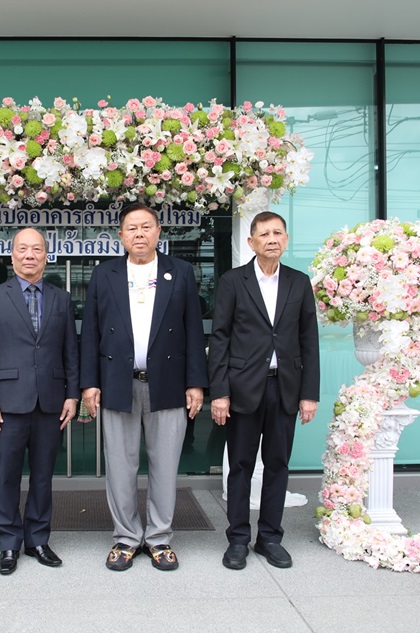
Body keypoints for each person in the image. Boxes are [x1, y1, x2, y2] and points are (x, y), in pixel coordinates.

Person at [80, 203, 208, 572]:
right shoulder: (104, 274)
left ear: (158, 232)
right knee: (120, 465)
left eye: (146, 226)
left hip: (167, 383)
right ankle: (125, 538)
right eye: (132, 228)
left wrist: (196, 383)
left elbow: (193, 331)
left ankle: (159, 538)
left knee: (165, 465)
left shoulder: (180, 272)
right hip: (117, 383)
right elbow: (90, 332)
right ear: (121, 236)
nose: (139, 234)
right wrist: (89, 384)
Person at [208, 211, 320, 570]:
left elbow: (309, 340)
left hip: (285, 388)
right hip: (242, 389)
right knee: (240, 466)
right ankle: (238, 539)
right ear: (251, 242)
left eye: (278, 233)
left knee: (277, 465)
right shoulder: (233, 281)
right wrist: (219, 392)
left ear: (286, 239)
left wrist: (309, 394)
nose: (272, 239)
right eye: (264, 234)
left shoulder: (299, 283)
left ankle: (270, 538)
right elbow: (220, 338)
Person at [0, 228, 80, 575]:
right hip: (6, 403)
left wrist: (72, 394)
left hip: (50, 402)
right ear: (12, 256)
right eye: (23, 249)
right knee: (6, 476)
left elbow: (71, 351)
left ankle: (37, 539)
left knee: (43, 476)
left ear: (46, 256)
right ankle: (8, 543)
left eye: (36, 249)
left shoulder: (61, 299)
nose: (29, 255)